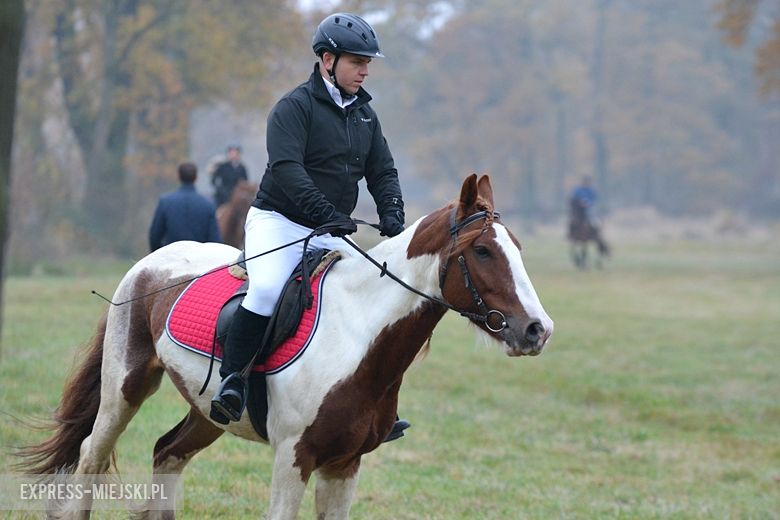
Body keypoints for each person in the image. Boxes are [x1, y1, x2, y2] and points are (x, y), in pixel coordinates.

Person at [210, 12, 409, 441]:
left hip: (329, 228)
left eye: (368, 62)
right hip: (279, 222)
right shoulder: (293, 108)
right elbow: (287, 170)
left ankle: (373, 403)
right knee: (266, 290)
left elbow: (384, 171)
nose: (366, 70)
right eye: (357, 61)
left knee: (368, 293)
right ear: (326, 60)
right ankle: (233, 382)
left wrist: (392, 210)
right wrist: (325, 214)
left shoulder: (365, 116)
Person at [149, 162, 222, 252]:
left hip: (171, 259)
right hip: (198, 261)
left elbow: (154, 236)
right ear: (196, 178)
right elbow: (215, 241)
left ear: (178, 177)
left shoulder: (165, 202)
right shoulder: (208, 205)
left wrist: (161, 256)